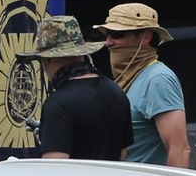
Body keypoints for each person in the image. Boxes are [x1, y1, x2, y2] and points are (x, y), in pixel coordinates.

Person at [16, 15, 132, 160]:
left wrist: (50, 136)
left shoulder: (58, 103)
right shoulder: (116, 92)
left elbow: (54, 168)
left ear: (47, 59)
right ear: (81, 53)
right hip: (112, 175)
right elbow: (122, 155)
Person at [95, 3, 189, 167]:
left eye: (117, 34)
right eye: (108, 34)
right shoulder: (127, 78)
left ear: (146, 37)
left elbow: (179, 149)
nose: (109, 42)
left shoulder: (158, 80)